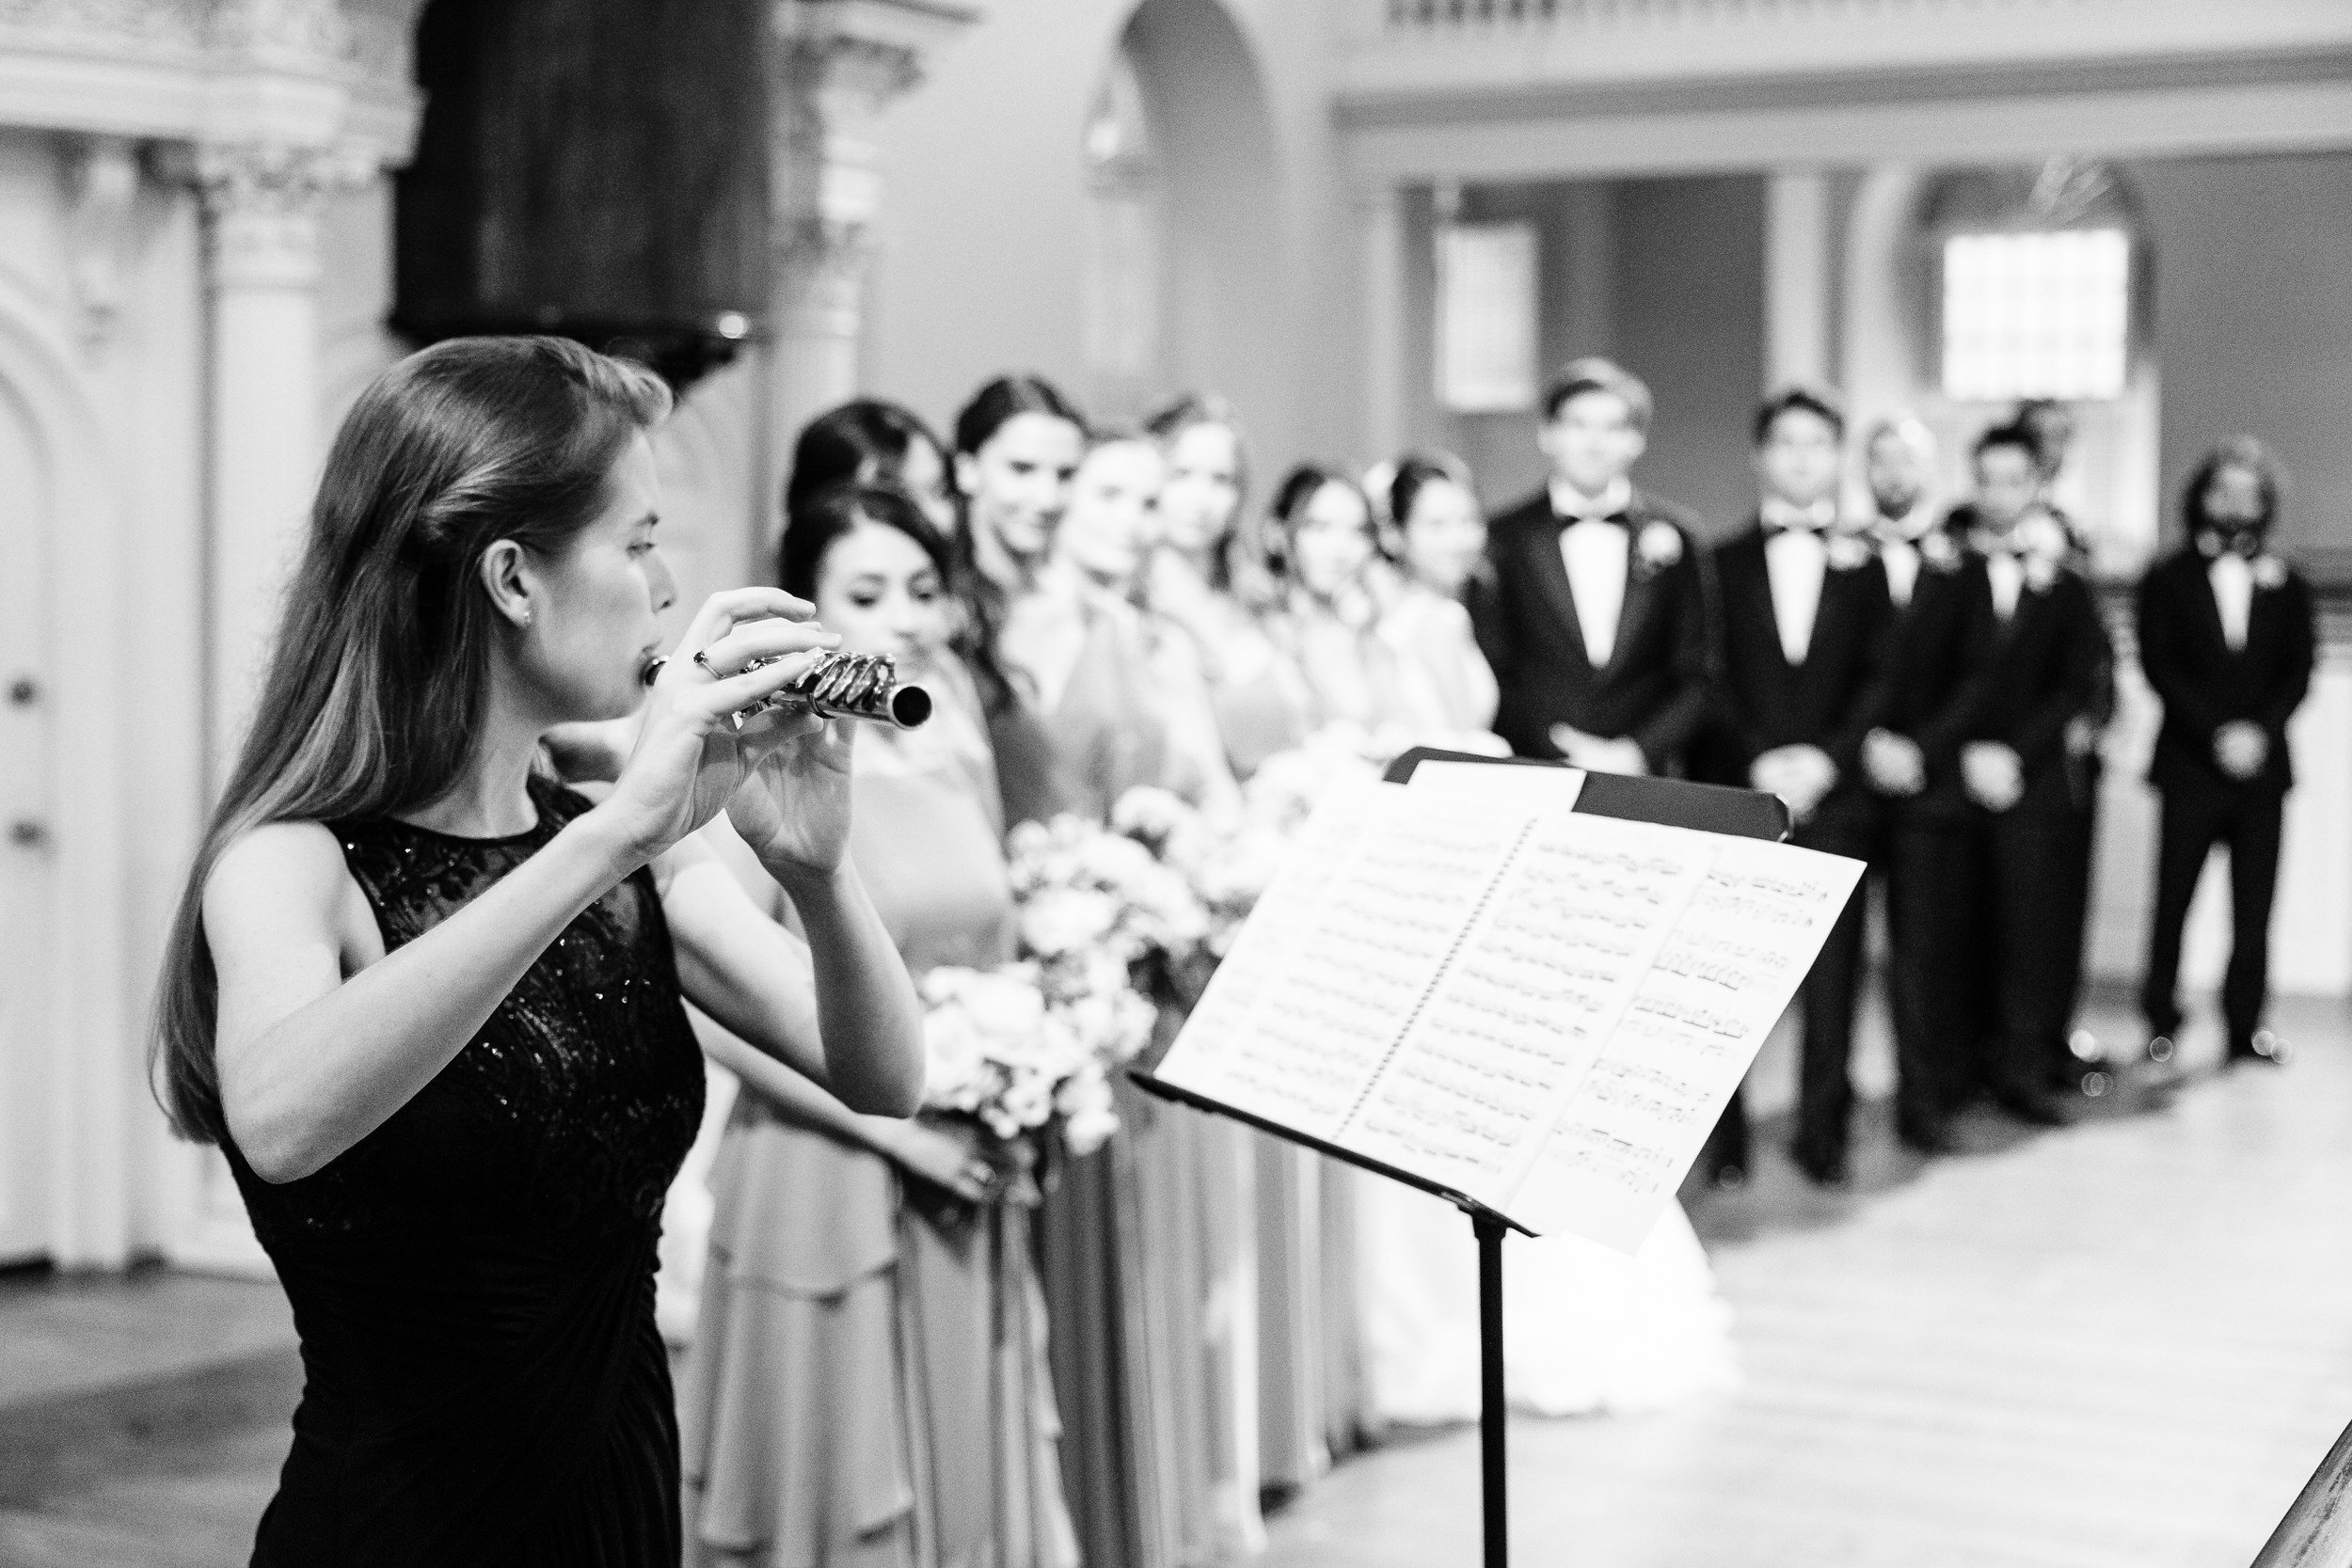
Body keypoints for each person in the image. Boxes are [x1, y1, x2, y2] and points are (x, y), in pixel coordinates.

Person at [151, 336, 925, 1566]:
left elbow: (887, 1075)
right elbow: (283, 1115)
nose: (667, 586)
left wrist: (818, 872)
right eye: (638, 541)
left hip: (617, 1512)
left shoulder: (622, 851)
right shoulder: (295, 860)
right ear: (514, 578)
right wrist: (619, 831)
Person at [678, 483, 1079, 1568]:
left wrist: (1026, 1061)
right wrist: (905, 1130)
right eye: (867, 591)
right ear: (804, 607)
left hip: (967, 1154)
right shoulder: (756, 747)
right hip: (822, 1163)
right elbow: (712, 1003)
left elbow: (991, 937)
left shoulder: (944, 739)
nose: (903, 616)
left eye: (922, 589)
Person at [1704, 388, 1891, 1186]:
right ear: (1760, 455)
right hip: (1743, 795)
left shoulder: (1867, 563)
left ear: (1837, 456)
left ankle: (1823, 1133)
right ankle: (1729, 1143)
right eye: (1787, 442)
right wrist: (1757, 763)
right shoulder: (1719, 563)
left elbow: (1883, 678)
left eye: (1819, 443)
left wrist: (1826, 760)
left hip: (1836, 795)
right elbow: (1707, 674)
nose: (1803, 458)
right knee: (1733, 979)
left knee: (1836, 980)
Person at [1949, 422, 2114, 1125]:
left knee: (2030, 929)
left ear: (2036, 486)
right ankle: (1963, 1068)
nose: (1998, 494)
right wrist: (1967, 750)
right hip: (1958, 772)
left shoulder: (2066, 584)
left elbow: (2077, 682)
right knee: (1963, 928)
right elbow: (1932, 674)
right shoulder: (1944, 574)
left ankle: (2023, 1068)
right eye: (1986, 479)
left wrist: (2016, 751)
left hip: (2035, 777)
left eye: (2013, 480)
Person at [2136, 437, 2315, 1069]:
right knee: (2173, 900)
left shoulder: (2286, 579)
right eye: (2224, 489)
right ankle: (2160, 1017)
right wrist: (2216, 732)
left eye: (2250, 492)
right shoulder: (2168, 574)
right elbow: (2161, 664)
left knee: (2254, 905)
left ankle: (2245, 1024)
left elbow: (2298, 670)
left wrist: (2256, 733)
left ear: (2266, 502)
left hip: (2262, 770)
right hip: (2189, 763)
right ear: (2202, 497)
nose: (2236, 503)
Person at [1472, 356, 1711, 778]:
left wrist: (1637, 751)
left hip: (1648, 778)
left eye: (1613, 427)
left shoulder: (1680, 538)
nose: (1593, 442)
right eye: (1577, 425)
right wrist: (1554, 746)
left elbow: (1699, 671)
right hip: (1535, 769)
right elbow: (1494, 663)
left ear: (1637, 440)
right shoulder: (1503, 538)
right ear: (1547, 434)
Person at [1857, 415, 1985, 1153]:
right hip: (1854, 777)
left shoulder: (1961, 564)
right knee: (1841, 964)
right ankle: (1828, 1108)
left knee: (1923, 955)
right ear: (1866, 472)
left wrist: (1919, 748)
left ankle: (1922, 1099)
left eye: (1908, 460)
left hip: (1929, 785)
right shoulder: (1844, 556)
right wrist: (1868, 743)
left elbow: (1976, 675)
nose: (1895, 473)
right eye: (1881, 461)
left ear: (1930, 469)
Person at [950, 375, 1091, 829]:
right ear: (968, 469)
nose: (1047, 497)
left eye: (1065, 475)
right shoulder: (939, 613)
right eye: (1022, 469)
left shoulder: (1090, 612)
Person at [1143, 394, 1310, 776]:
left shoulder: (1249, 595)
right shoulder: (1139, 602)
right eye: (1180, 475)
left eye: (1220, 480)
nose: (1200, 500)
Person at [1376, 453, 1500, 736]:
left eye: (1469, 521)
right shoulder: (1439, 619)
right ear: (1396, 533)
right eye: (1437, 525)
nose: (1458, 540)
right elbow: (1465, 742)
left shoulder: (1399, 614)